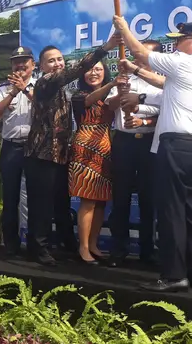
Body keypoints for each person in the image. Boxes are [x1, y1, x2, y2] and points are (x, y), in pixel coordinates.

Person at [113, 15, 192, 292]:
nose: (176, 46)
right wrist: (139, 94)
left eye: (182, 40)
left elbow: (140, 53)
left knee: (172, 209)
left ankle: (174, 275)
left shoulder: (185, 62)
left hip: (176, 145)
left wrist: (123, 28)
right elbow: (170, 90)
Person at [25, 36, 120, 266]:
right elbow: (75, 72)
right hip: (41, 154)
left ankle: (62, 244)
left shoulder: (63, 91)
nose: (57, 63)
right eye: (51, 61)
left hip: (61, 154)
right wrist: (106, 48)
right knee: (42, 205)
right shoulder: (45, 83)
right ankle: (38, 249)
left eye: (60, 59)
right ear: (41, 66)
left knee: (60, 204)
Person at [107, 41, 164, 268]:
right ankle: (118, 249)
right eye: (136, 55)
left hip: (150, 141)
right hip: (124, 142)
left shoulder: (163, 82)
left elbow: (168, 114)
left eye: (144, 55)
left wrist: (144, 121)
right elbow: (110, 106)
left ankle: (148, 250)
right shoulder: (125, 80)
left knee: (148, 199)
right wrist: (119, 91)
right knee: (120, 197)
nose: (138, 58)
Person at [68, 61, 117, 265]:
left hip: (105, 147)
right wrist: (113, 83)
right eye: (90, 69)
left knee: (101, 202)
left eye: (98, 69)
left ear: (104, 72)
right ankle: (83, 247)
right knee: (88, 199)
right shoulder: (78, 95)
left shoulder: (111, 95)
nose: (93, 73)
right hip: (84, 147)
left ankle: (94, 244)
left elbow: (116, 105)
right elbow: (90, 100)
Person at [0, 46, 37, 256]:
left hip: (35, 146)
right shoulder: (3, 88)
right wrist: (13, 92)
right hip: (10, 146)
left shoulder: (41, 85)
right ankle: (11, 244)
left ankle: (36, 243)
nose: (20, 65)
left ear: (32, 64)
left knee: (37, 196)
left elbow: (47, 107)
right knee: (10, 197)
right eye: (16, 61)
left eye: (24, 61)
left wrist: (25, 90)